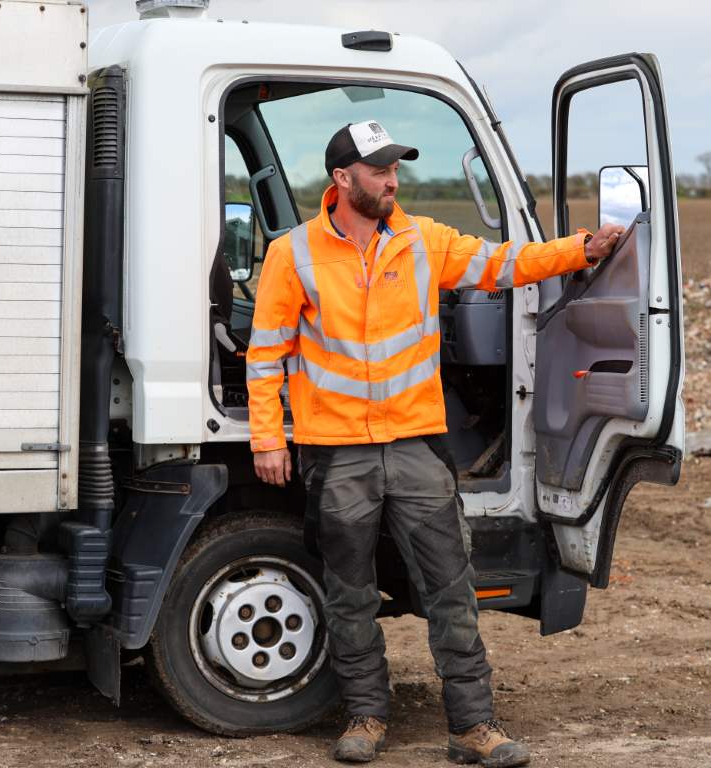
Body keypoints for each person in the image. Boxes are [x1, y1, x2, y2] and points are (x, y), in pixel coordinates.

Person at [246, 120, 624, 766]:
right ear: (342, 179)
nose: (392, 180)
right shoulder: (294, 254)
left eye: (396, 168)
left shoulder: (423, 240)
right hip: (336, 451)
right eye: (379, 170)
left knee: (451, 586)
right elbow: (265, 354)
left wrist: (581, 250)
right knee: (350, 593)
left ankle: (473, 727)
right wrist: (266, 440)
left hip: (415, 446)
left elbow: (504, 263)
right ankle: (366, 717)